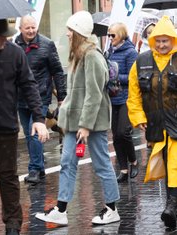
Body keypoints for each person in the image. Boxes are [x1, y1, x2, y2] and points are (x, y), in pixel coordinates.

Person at [35, 11, 120, 225]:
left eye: (70, 30)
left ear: (78, 33)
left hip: (89, 123)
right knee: (67, 162)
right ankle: (61, 210)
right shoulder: (77, 55)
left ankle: (112, 208)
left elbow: (93, 93)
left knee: (101, 163)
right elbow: (77, 93)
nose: (67, 34)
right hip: (75, 122)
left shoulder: (91, 55)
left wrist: (85, 125)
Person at [127, 16, 177, 229]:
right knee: (163, 160)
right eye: (158, 41)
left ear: (173, 40)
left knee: (175, 159)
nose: (162, 45)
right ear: (152, 41)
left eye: (166, 40)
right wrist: (138, 117)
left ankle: (171, 206)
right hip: (154, 122)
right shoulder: (141, 61)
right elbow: (133, 92)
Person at [0, 19, 49, 235]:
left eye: (7, 35)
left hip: (6, 126)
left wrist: (38, 118)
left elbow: (28, 84)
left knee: (8, 177)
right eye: (1, 36)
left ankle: (12, 226)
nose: (5, 39)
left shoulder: (15, 53)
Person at [15, 15, 66, 184]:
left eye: (33, 27)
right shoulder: (15, 45)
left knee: (34, 131)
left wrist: (61, 97)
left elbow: (58, 71)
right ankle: (40, 167)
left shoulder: (47, 44)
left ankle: (35, 169)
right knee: (30, 135)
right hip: (21, 98)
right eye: (27, 28)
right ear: (20, 29)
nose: (31, 31)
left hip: (41, 96)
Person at [106, 22, 139, 182]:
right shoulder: (109, 52)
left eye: (113, 35)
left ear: (121, 35)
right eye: (109, 35)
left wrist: (115, 77)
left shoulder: (131, 52)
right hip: (113, 97)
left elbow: (134, 77)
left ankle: (133, 160)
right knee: (116, 137)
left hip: (127, 97)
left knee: (123, 132)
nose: (110, 38)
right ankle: (123, 169)